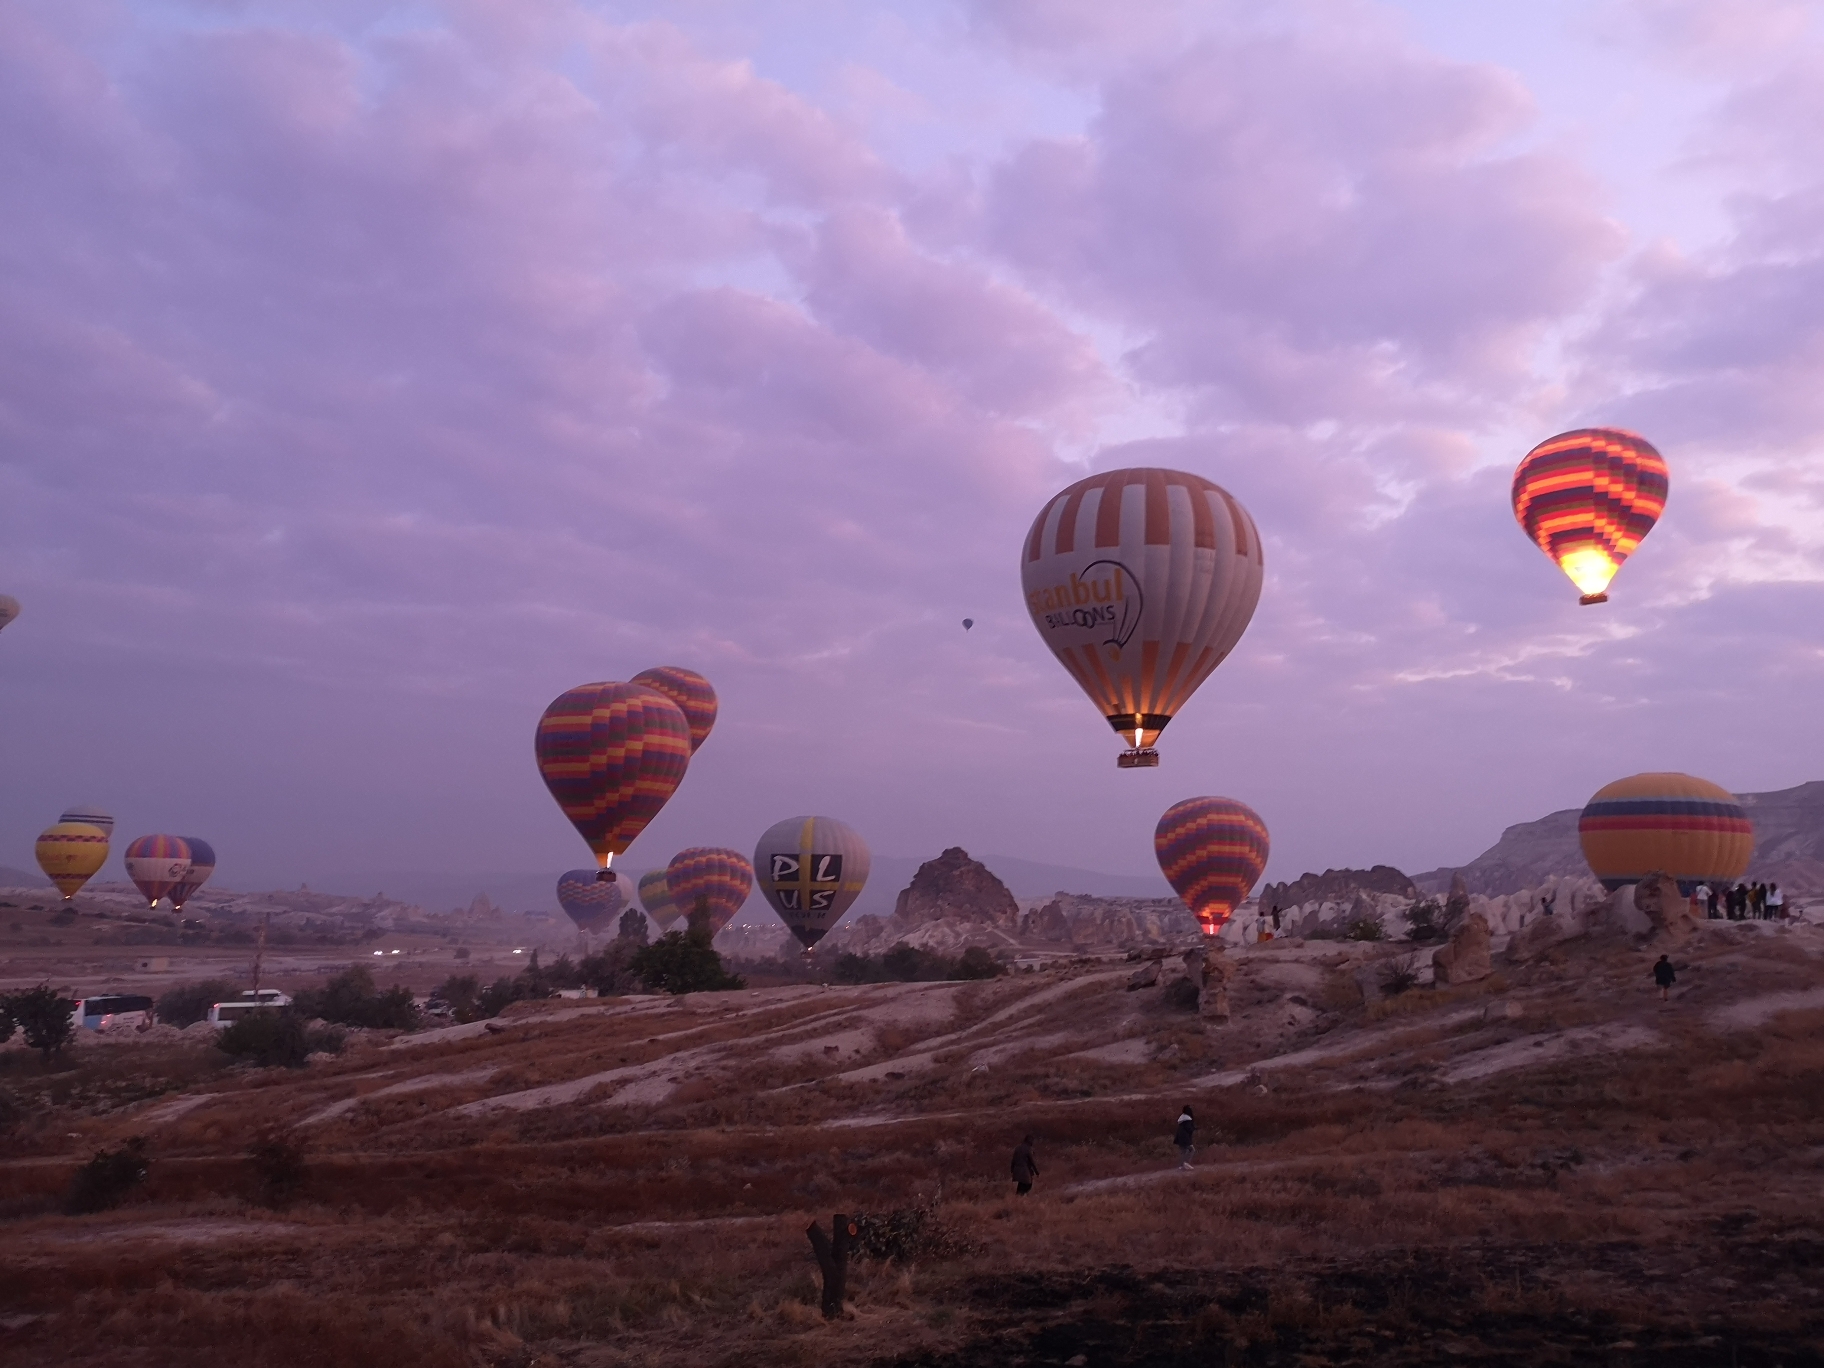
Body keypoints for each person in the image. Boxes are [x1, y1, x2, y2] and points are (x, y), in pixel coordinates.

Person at [1174, 1105, 1196, 1170]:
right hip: (1185, 1138)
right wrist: (1194, 1128)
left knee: (1183, 1152)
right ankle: (1186, 1163)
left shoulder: (1181, 1120)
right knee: (1192, 1150)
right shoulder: (1188, 1120)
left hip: (1179, 1137)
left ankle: (1181, 1165)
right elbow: (1189, 1129)